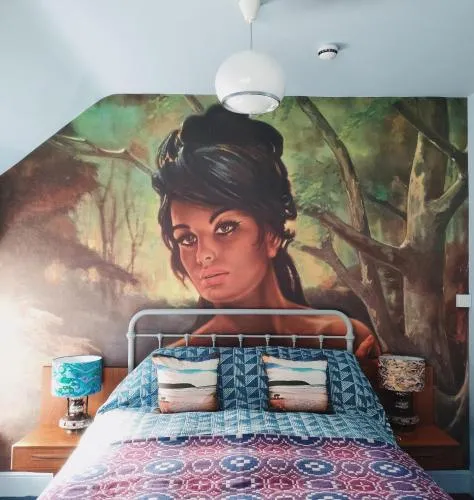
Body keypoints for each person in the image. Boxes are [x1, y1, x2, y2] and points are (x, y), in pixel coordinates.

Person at [152, 105, 380, 359]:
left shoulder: (341, 337)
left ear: (272, 234)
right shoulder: (176, 359)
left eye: (225, 227)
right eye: (187, 238)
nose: (203, 254)